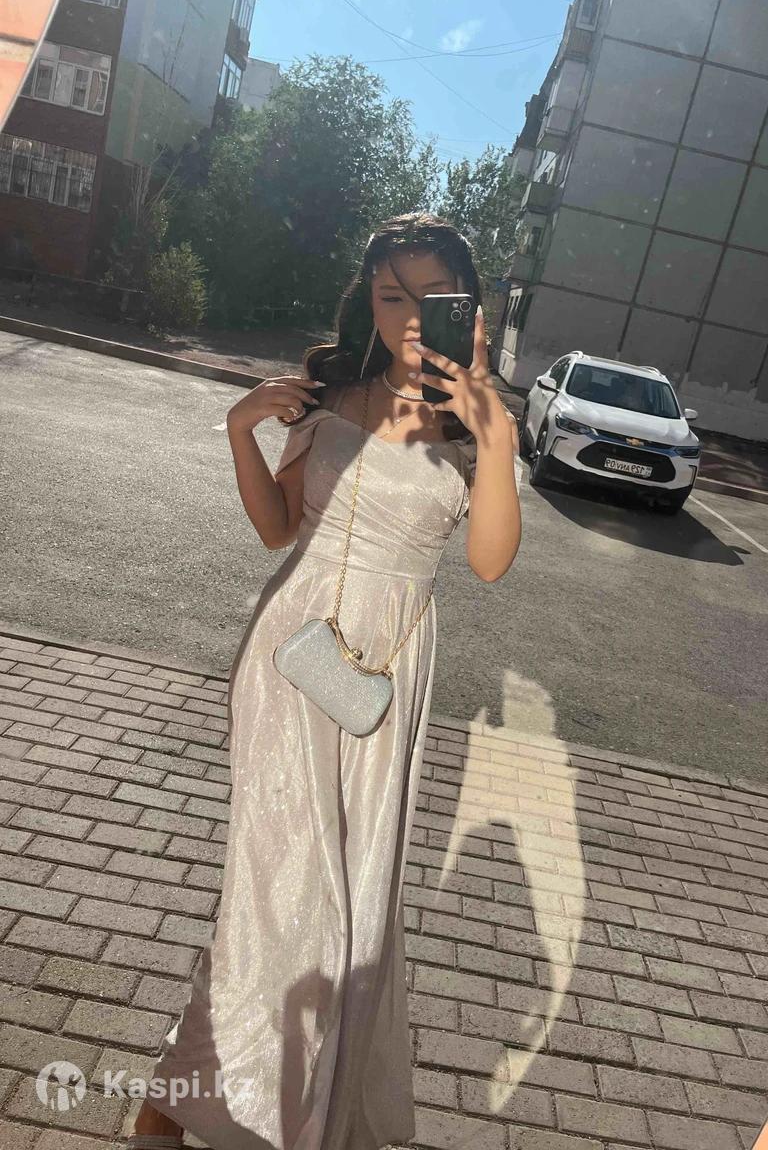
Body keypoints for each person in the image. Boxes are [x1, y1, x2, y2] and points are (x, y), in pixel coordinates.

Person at [125, 212, 522, 1150]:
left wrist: (498, 438)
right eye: (391, 295)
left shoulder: (477, 426)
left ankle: (299, 1105)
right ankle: (189, 1097)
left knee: (355, 900)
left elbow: (490, 562)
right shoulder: (332, 392)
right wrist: (240, 428)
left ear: (470, 307)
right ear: (367, 301)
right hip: (291, 656)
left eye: (433, 297)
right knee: (275, 885)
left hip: (387, 674)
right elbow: (277, 530)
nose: (410, 316)